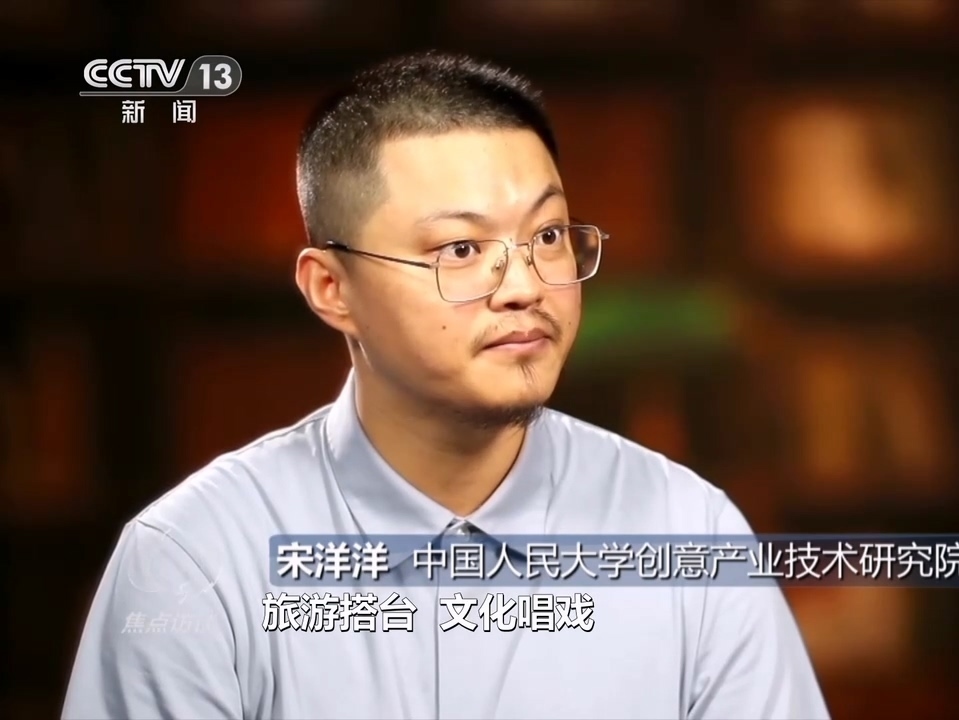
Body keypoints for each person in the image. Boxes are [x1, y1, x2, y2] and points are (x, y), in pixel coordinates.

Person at [63, 51, 829, 720]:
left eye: (548, 236)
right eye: (460, 249)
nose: (523, 287)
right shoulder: (195, 561)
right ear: (332, 287)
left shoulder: (688, 534)